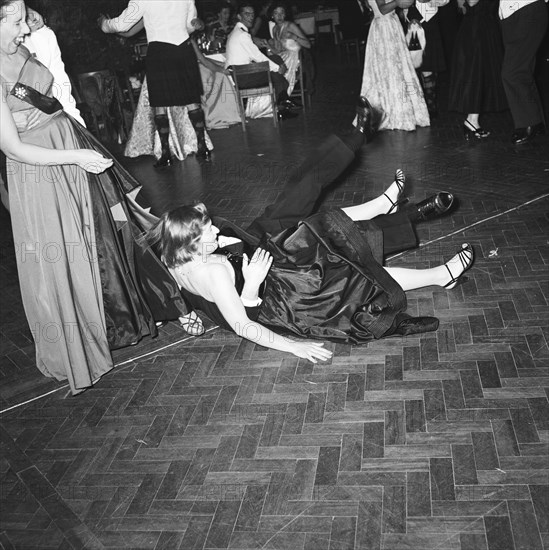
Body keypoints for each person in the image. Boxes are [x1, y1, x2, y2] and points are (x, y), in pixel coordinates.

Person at [149, 99, 474, 360]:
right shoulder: (213, 274)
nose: (214, 229)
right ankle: (434, 265)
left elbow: (163, 290)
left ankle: (357, 137)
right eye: (206, 231)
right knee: (342, 263)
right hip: (267, 290)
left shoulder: (170, 252)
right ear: (191, 244)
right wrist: (284, 334)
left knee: (300, 191)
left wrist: (182, 314)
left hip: (252, 248)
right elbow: (242, 324)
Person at [0, 0, 196, 394]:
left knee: (112, 233)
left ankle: (139, 312)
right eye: (17, 20)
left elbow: (48, 89)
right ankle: (79, 346)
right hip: (43, 168)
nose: (26, 25)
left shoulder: (19, 44)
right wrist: (76, 156)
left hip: (70, 146)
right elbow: (13, 148)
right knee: (67, 254)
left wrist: (32, 30)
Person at [99, 0, 211, 167]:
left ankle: (165, 154)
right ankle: (202, 147)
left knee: (160, 102)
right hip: (183, 49)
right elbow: (190, 25)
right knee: (191, 100)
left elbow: (122, 25)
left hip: (160, 51)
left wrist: (104, 24)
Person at [359, 0, 430, 131]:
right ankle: (394, 112)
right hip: (385, 28)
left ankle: (396, 110)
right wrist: (398, 2)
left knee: (396, 69)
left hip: (389, 25)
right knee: (392, 71)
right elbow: (382, 9)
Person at [225, 2, 298, 119]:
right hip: (244, 77)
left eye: (252, 14)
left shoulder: (237, 32)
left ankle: (283, 102)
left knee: (275, 59)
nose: (251, 17)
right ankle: (283, 103)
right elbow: (258, 56)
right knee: (276, 74)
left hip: (241, 74)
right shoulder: (242, 35)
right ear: (239, 16)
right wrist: (278, 68)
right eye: (247, 14)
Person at [448, 0, 507, 139]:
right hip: (476, 32)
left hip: (486, 29)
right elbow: (471, 2)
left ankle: (472, 120)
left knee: (482, 74)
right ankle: (471, 120)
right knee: (476, 73)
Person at [499, 0, 548, 145]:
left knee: (511, 72)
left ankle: (528, 123)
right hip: (514, 14)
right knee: (522, 70)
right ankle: (536, 122)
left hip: (526, 11)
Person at [400, 0, 448, 119]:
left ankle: (431, 107)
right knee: (413, 67)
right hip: (410, 25)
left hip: (428, 23)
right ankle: (417, 105)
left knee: (428, 67)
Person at [268, 3, 311, 95]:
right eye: (276, 13)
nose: (279, 16)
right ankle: (278, 97)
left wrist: (294, 37)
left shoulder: (290, 26)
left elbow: (308, 45)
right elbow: (279, 51)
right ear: (272, 15)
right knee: (271, 67)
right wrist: (268, 47)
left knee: (277, 71)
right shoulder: (275, 29)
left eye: (282, 13)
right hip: (284, 56)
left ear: (285, 14)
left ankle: (282, 96)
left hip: (296, 57)